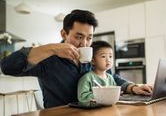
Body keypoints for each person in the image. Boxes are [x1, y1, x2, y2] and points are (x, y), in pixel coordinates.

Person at [0, 9, 153, 108]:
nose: (84, 43)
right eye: (79, 37)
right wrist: (52, 48)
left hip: (92, 115)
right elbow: (7, 67)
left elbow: (110, 76)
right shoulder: (48, 58)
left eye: (89, 38)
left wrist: (132, 87)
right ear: (64, 34)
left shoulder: (91, 57)